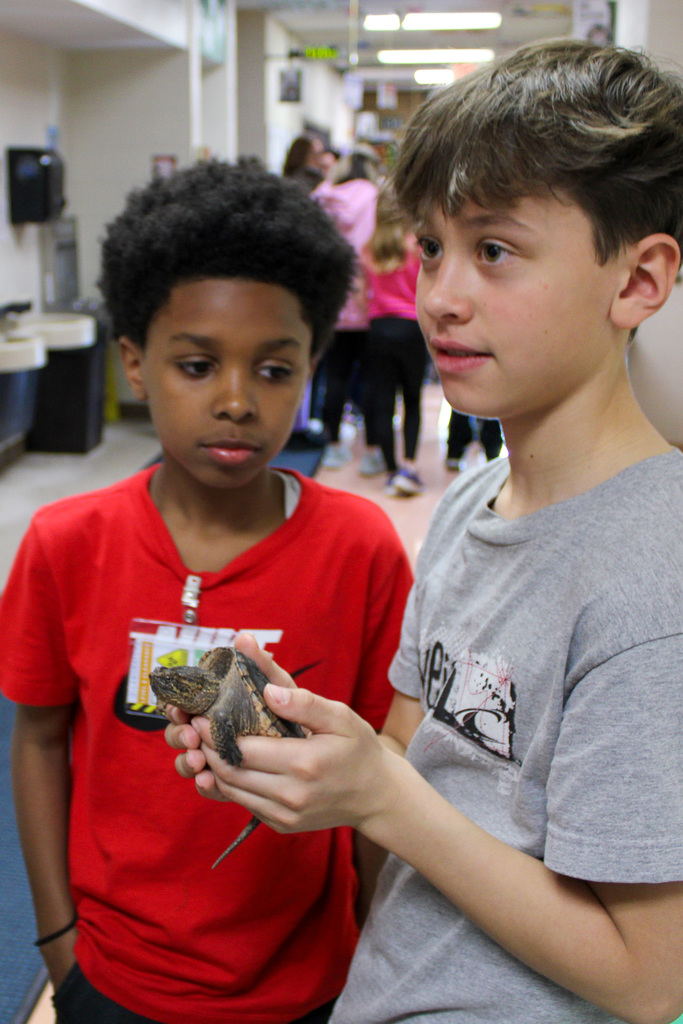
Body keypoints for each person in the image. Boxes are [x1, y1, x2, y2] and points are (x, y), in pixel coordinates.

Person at [166, 41, 683, 1024]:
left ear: (637, 280)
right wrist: (307, 756)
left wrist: (379, 799)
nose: (440, 293)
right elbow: (412, 746)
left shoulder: (653, 581)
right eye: (432, 246)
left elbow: (646, 974)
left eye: (493, 249)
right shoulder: (470, 500)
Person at [0, 159, 414, 1024]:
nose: (235, 401)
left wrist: (380, 958)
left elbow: (384, 771)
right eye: (197, 365)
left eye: (273, 370)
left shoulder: (360, 548)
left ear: (309, 368)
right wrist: (57, 941)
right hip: (110, 975)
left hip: (307, 981)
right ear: (136, 364)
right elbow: (38, 741)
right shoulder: (65, 543)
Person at [311, 144, 383, 474]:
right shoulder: (374, 197)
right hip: (369, 304)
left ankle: (333, 446)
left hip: (333, 302)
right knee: (370, 380)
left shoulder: (322, 199)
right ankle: (371, 450)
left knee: (335, 379)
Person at [360, 186, 427, 495]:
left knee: (383, 402)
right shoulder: (415, 247)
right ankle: (410, 466)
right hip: (411, 328)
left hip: (379, 329)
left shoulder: (368, 250)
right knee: (412, 399)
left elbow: (364, 298)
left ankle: (389, 469)